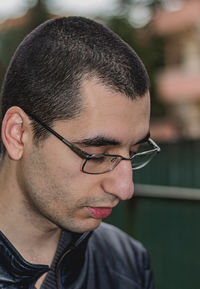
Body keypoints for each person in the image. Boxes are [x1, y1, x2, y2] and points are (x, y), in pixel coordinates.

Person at [0, 16, 160, 289]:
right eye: (96, 155)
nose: (125, 189)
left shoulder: (127, 263)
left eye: (133, 152)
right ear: (18, 134)